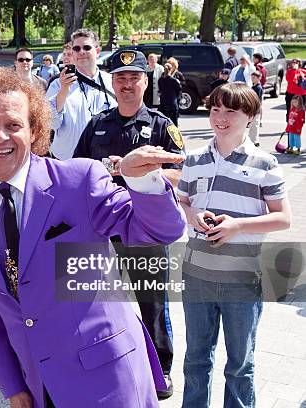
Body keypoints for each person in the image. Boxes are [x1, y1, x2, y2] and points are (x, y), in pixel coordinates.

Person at [0, 67, 186, 407]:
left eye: (14, 125)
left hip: (109, 377)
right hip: (39, 387)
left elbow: (160, 230)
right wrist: (13, 387)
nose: (1, 136)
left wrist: (143, 183)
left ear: (34, 131)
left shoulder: (79, 180)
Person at [73, 50, 185, 400]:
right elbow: (78, 168)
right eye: (120, 78)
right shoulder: (98, 124)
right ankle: (109, 362)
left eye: (133, 77)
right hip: (103, 228)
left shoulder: (162, 125)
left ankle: (160, 369)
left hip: (145, 229)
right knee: (96, 301)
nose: (126, 84)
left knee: (152, 301)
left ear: (145, 81)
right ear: (113, 83)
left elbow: (179, 172)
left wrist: (140, 173)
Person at [177, 82, 291, 408]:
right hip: (197, 275)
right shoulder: (195, 159)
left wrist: (238, 225)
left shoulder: (265, 163)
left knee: (240, 365)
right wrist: (193, 215)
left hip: (241, 279)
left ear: (251, 116)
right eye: (215, 109)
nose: (221, 117)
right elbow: (182, 202)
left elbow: (283, 218)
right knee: (196, 360)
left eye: (231, 111)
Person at [46, 29, 117, 160]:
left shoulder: (112, 81)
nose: (81, 52)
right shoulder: (58, 84)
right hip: (67, 160)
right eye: (77, 48)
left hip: (105, 160)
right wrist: (63, 90)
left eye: (87, 47)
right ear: (72, 53)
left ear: (97, 51)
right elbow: (51, 123)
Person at [249, 71, 264, 147]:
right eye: (252, 77)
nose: (252, 79)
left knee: (254, 125)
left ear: (259, 78)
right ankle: (252, 139)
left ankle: (255, 141)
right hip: (253, 108)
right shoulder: (253, 86)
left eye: (254, 77)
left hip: (256, 109)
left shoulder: (258, 88)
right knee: (252, 125)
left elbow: (257, 100)